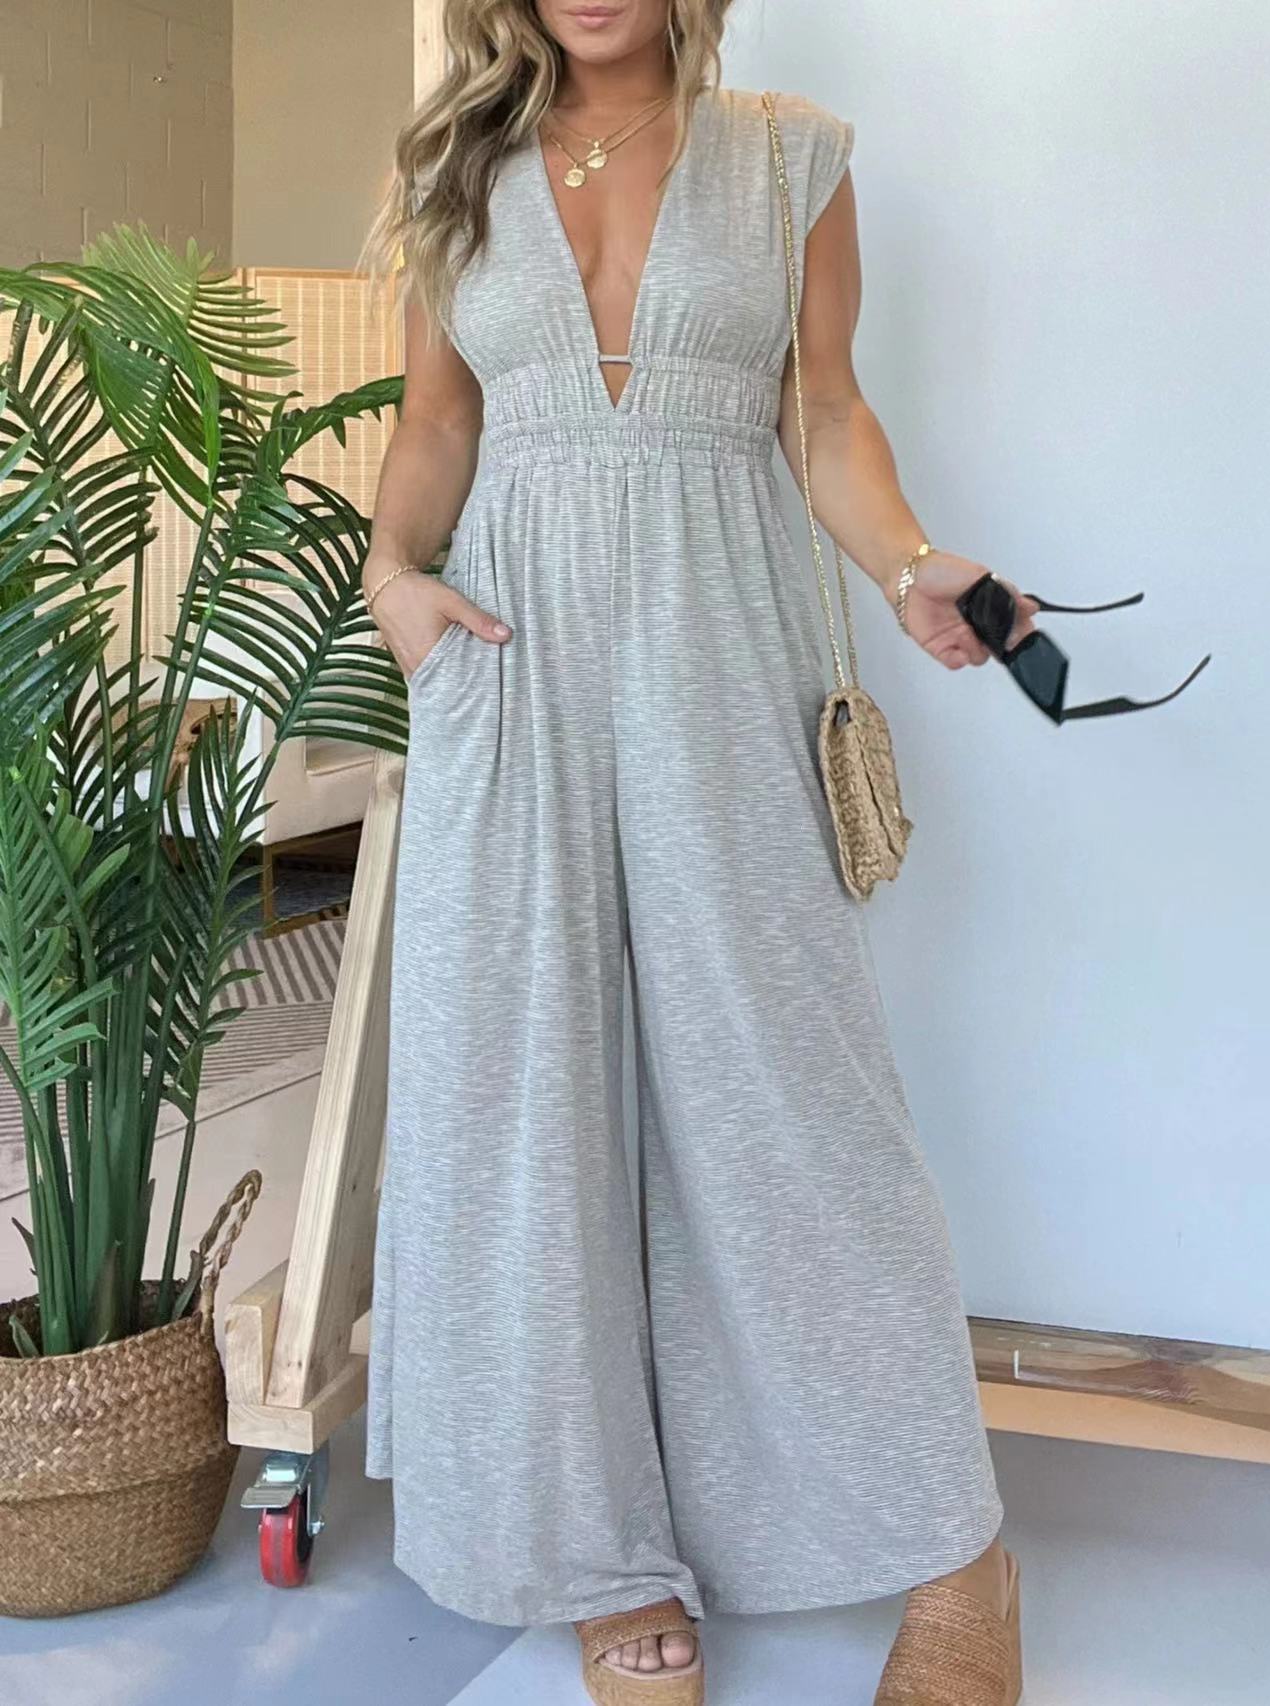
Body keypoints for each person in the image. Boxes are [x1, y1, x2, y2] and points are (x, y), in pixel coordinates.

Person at [358, 3, 1038, 1702]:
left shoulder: (789, 158)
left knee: (792, 1100)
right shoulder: (460, 170)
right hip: (512, 665)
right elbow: (439, 419)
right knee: (534, 1106)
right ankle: (605, 1557)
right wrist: (394, 580)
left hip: (722, 652)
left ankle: (954, 1549)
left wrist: (913, 567)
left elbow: (826, 412)